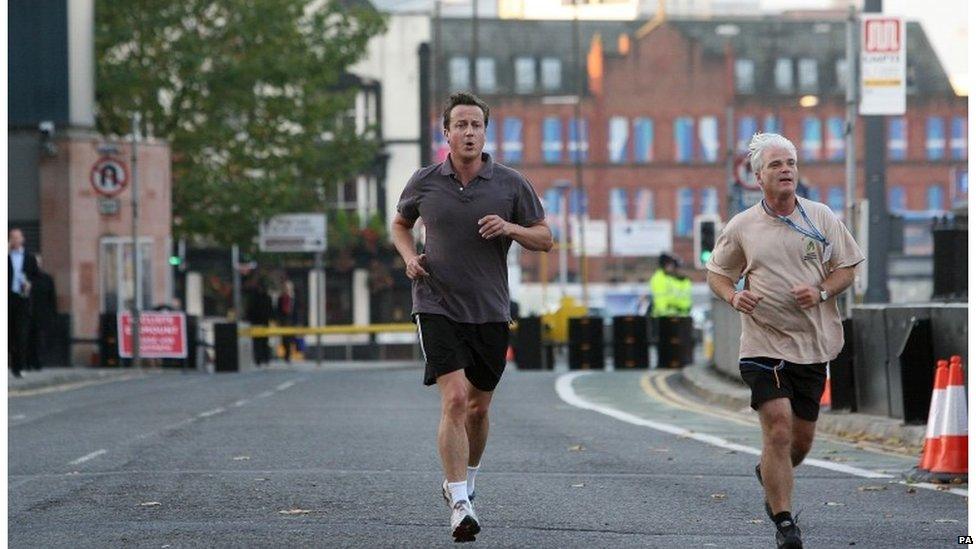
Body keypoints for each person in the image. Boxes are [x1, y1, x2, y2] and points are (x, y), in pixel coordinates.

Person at [391, 92, 552, 543]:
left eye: (475, 125)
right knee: (456, 398)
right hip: (435, 303)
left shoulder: (509, 183)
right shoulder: (424, 181)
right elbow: (400, 223)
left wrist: (511, 228)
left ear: (485, 132)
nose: (468, 132)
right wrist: (408, 257)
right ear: (446, 133)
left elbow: (544, 239)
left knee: (479, 408)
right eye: (459, 125)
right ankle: (459, 501)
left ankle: (467, 482)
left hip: (489, 309)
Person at [706, 133, 863, 549]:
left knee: (799, 442)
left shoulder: (821, 217)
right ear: (759, 177)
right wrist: (734, 295)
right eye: (776, 165)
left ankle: (770, 472)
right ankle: (785, 522)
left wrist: (822, 292)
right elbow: (717, 274)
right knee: (777, 429)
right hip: (762, 345)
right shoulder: (742, 227)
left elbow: (847, 268)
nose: (786, 170)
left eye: (790, 162)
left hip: (812, 345)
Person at [8, 228, 39, 378]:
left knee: (21, 334)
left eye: (17, 237)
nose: (14, 240)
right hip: (8, 297)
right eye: (11, 238)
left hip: (23, 298)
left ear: (22, 239)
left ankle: (18, 367)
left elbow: (37, 276)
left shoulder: (30, 257)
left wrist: (30, 283)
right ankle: (10, 364)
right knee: (9, 334)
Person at [28, 255, 58, 370]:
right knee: (29, 339)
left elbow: (52, 299)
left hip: (43, 315)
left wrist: (53, 315)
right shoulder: (26, 278)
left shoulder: (47, 279)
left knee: (40, 339)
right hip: (28, 314)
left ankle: (38, 362)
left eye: (38, 262)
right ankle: (29, 362)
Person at [648, 253, 691, 318]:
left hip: (679, 316)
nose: (673, 268)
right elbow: (660, 301)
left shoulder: (675, 279)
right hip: (664, 318)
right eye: (671, 265)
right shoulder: (660, 278)